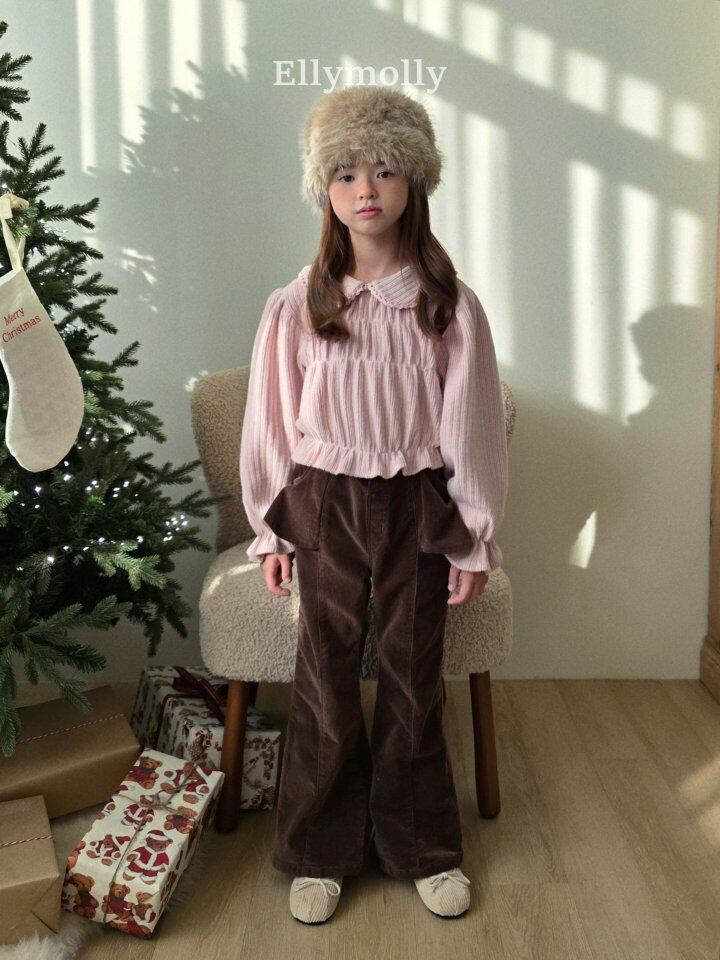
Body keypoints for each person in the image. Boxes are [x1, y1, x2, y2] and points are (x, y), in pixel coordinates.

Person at [239, 84, 508, 924]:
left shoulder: (446, 304)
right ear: (323, 187)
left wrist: (472, 538)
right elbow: (271, 424)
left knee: (411, 677)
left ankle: (421, 846)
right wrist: (271, 530)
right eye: (346, 172)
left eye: (385, 170)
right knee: (323, 679)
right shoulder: (298, 305)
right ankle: (320, 851)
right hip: (323, 508)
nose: (366, 189)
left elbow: (471, 427)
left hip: (416, 510)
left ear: (415, 181)